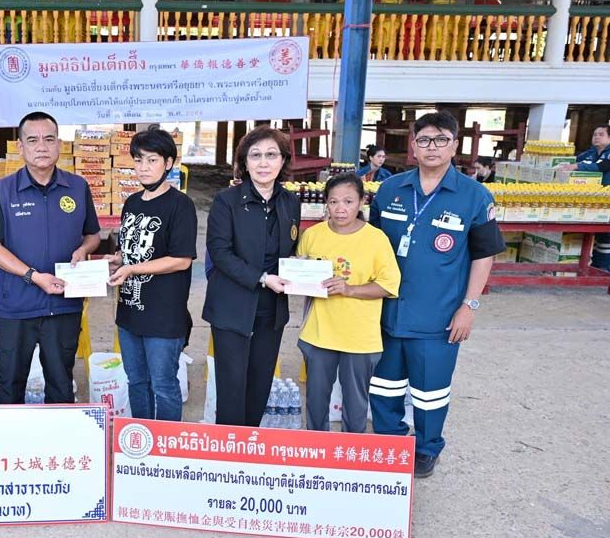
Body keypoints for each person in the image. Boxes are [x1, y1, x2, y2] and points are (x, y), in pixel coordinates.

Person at [368, 111, 505, 478]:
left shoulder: (474, 196)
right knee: (384, 385)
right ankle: (390, 441)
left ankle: (427, 448)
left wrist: (469, 306)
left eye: (441, 139)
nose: (432, 147)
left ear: (454, 146)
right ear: (413, 145)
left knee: (430, 392)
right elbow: (368, 243)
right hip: (385, 310)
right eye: (425, 139)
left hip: (438, 316)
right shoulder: (390, 190)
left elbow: (484, 255)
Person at [0, 111, 101, 404]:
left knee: (61, 386)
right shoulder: (3, 190)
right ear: (20, 147)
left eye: (49, 139)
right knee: (10, 387)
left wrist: (84, 249)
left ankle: (58, 435)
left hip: (63, 305)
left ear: (59, 144)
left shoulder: (77, 187)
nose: (42, 147)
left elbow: (93, 235)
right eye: (32, 140)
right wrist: (33, 276)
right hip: (17, 306)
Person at [203, 125, 301, 427]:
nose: (263, 163)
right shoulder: (226, 201)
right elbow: (220, 252)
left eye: (271, 155)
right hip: (232, 307)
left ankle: (251, 443)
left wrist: (298, 266)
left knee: (260, 385)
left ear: (283, 160)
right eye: (255, 155)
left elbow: (289, 249)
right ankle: (232, 449)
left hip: (271, 309)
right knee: (232, 389)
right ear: (244, 162)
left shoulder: (290, 202)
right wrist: (262, 278)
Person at [296, 172, 400, 433]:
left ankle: (351, 452)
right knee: (315, 401)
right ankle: (317, 448)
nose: (340, 209)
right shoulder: (313, 235)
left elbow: (388, 286)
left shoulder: (376, 240)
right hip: (318, 333)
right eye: (333, 202)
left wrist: (349, 289)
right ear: (326, 203)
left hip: (359, 337)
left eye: (348, 201)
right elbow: (300, 273)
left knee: (355, 406)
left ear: (362, 202)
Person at [107, 128, 197, 421]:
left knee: (163, 385)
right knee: (137, 381)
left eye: (152, 160)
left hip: (163, 316)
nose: (143, 168)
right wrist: (118, 260)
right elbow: (130, 250)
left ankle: (166, 443)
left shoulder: (181, 205)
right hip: (129, 312)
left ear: (168, 163)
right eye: (138, 160)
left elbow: (181, 260)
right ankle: (142, 437)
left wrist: (131, 268)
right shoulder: (132, 202)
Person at [558, 125, 610, 271]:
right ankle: (589, 265)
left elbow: (604, 166)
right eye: (595, 134)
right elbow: (575, 160)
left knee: (605, 233)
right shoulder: (593, 152)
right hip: (594, 197)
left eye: (601, 134)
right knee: (590, 231)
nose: (596, 137)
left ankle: (602, 268)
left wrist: (577, 166)